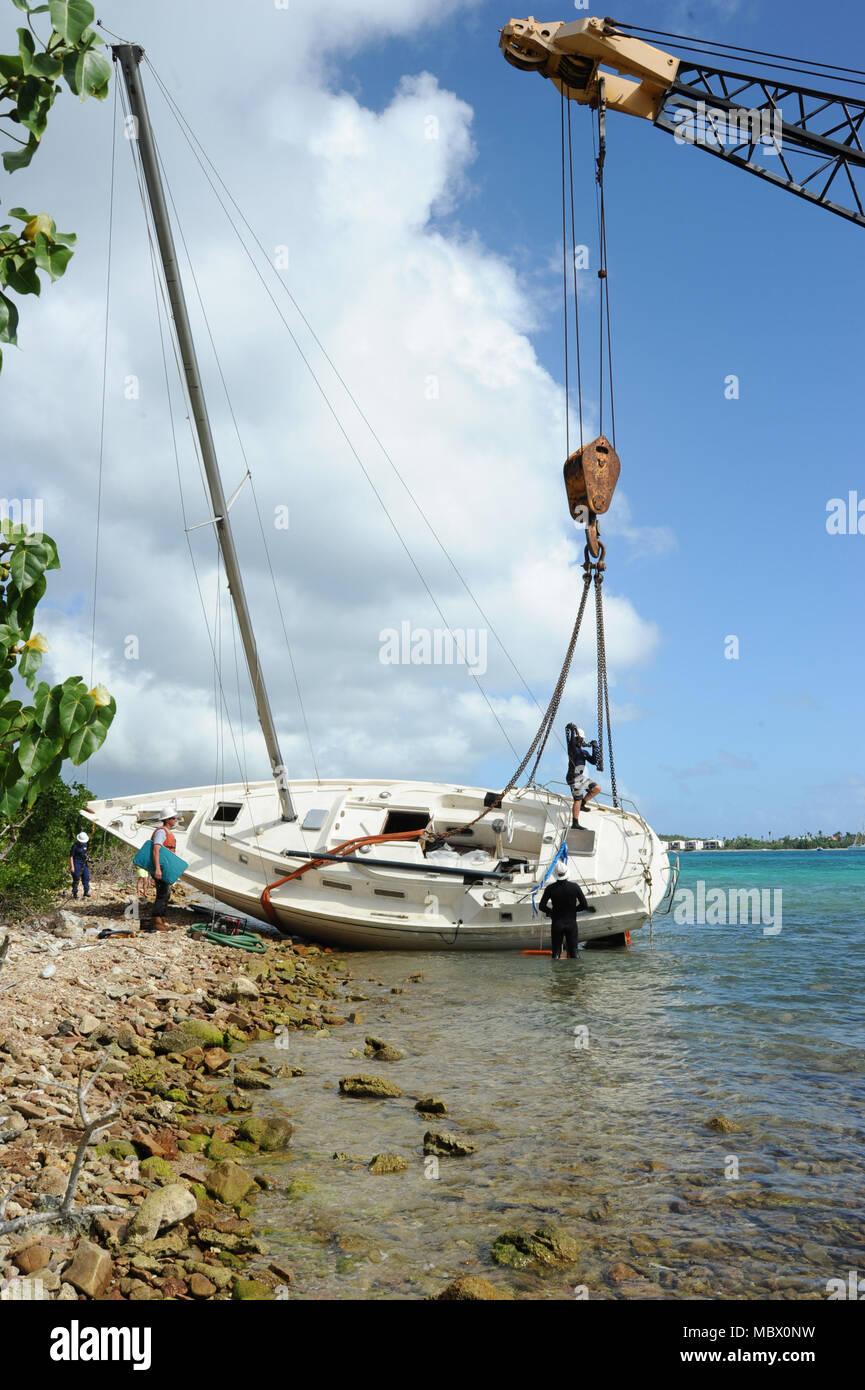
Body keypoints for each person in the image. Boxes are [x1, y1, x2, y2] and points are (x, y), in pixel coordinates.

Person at [539, 858, 596, 959]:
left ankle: (556, 973)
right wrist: (574, 910)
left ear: (555, 875)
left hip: (557, 923)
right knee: (574, 952)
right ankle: (576, 973)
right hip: (571, 923)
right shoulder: (574, 887)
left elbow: (542, 906)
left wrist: (552, 912)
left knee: (556, 953)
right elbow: (584, 905)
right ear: (566, 874)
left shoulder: (550, 888)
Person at [565, 722, 601, 829]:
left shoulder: (583, 752)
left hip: (580, 777)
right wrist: (572, 731)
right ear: (576, 739)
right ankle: (575, 823)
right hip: (573, 777)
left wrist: (595, 748)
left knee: (596, 788)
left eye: (581, 739)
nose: (581, 741)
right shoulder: (572, 749)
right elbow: (571, 742)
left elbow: (594, 761)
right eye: (580, 739)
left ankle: (582, 804)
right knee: (577, 799)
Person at [148, 810, 179, 932]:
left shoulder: (167, 832)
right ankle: (156, 922)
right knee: (162, 894)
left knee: (166, 893)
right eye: (173, 818)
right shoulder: (161, 832)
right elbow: (156, 850)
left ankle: (162, 920)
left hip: (164, 868)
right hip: (159, 868)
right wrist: (157, 869)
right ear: (167, 819)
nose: (175, 820)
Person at [69, 832, 91, 900]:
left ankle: (86, 891)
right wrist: (72, 866)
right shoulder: (75, 846)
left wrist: (89, 859)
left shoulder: (86, 845)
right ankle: (75, 893)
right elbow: (71, 856)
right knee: (76, 878)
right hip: (76, 862)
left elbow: (85, 854)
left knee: (86, 877)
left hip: (84, 863)